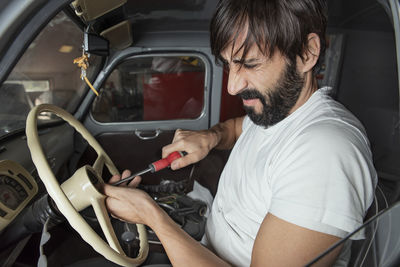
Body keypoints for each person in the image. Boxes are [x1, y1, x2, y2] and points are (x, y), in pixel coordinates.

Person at [104, 0, 377, 266]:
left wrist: (151, 217)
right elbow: (238, 128)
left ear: (307, 53)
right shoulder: (278, 111)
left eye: (249, 64)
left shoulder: (325, 152)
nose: (232, 86)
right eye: (228, 64)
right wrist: (211, 136)